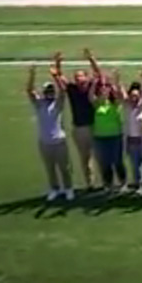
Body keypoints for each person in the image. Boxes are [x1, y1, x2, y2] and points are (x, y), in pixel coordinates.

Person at [26, 65, 74, 201]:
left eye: (51, 91)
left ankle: (68, 188)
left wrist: (56, 77)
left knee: (64, 168)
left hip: (59, 142)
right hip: (45, 143)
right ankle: (55, 189)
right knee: (50, 168)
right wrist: (32, 74)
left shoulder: (57, 104)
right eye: (48, 91)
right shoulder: (39, 103)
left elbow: (63, 91)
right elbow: (29, 90)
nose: (50, 93)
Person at [51, 51, 96, 191]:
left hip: (95, 127)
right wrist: (58, 63)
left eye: (81, 76)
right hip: (79, 129)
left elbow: (99, 74)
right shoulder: (72, 89)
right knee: (85, 158)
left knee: (101, 156)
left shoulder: (91, 87)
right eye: (76, 77)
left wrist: (91, 60)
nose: (78, 79)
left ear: (86, 77)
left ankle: (107, 183)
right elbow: (59, 77)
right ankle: (90, 183)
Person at [90, 69, 128, 192]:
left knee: (117, 161)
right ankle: (108, 184)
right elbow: (90, 96)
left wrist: (116, 82)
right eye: (102, 90)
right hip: (100, 137)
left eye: (106, 89)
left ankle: (123, 183)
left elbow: (121, 96)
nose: (104, 91)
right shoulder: (97, 104)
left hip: (115, 136)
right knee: (105, 162)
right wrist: (95, 82)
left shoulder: (115, 104)